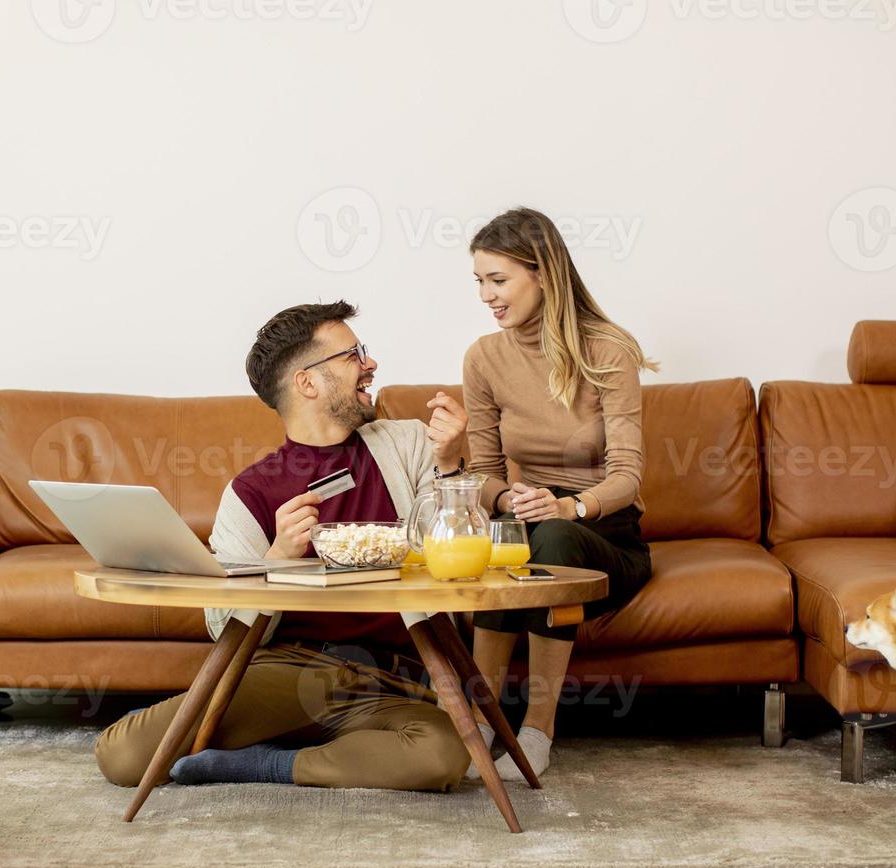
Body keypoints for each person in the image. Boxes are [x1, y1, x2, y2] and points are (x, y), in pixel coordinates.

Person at [94, 300, 475, 792]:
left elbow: (453, 558)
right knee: (123, 757)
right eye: (352, 355)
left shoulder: (410, 444)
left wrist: (449, 467)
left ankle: (259, 764)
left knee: (443, 755)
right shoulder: (250, 491)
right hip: (289, 672)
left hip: (387, 678)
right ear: (307, 382)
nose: (370, 364)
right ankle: (287, 745)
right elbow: (218, 625)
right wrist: (275, 559)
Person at [461, 207, 658, 782]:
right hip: (526, 521)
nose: (486, 296)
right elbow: (483, 474)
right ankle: (477, 724)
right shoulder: (483, 359)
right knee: (506, 540)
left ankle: (536, 731)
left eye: (498, 280)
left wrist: (569, 505)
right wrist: (507, 501)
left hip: (606, 535)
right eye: (478, 282)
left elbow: (627, 476)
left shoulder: (608, 351)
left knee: (549, 534)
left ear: (543, 272)